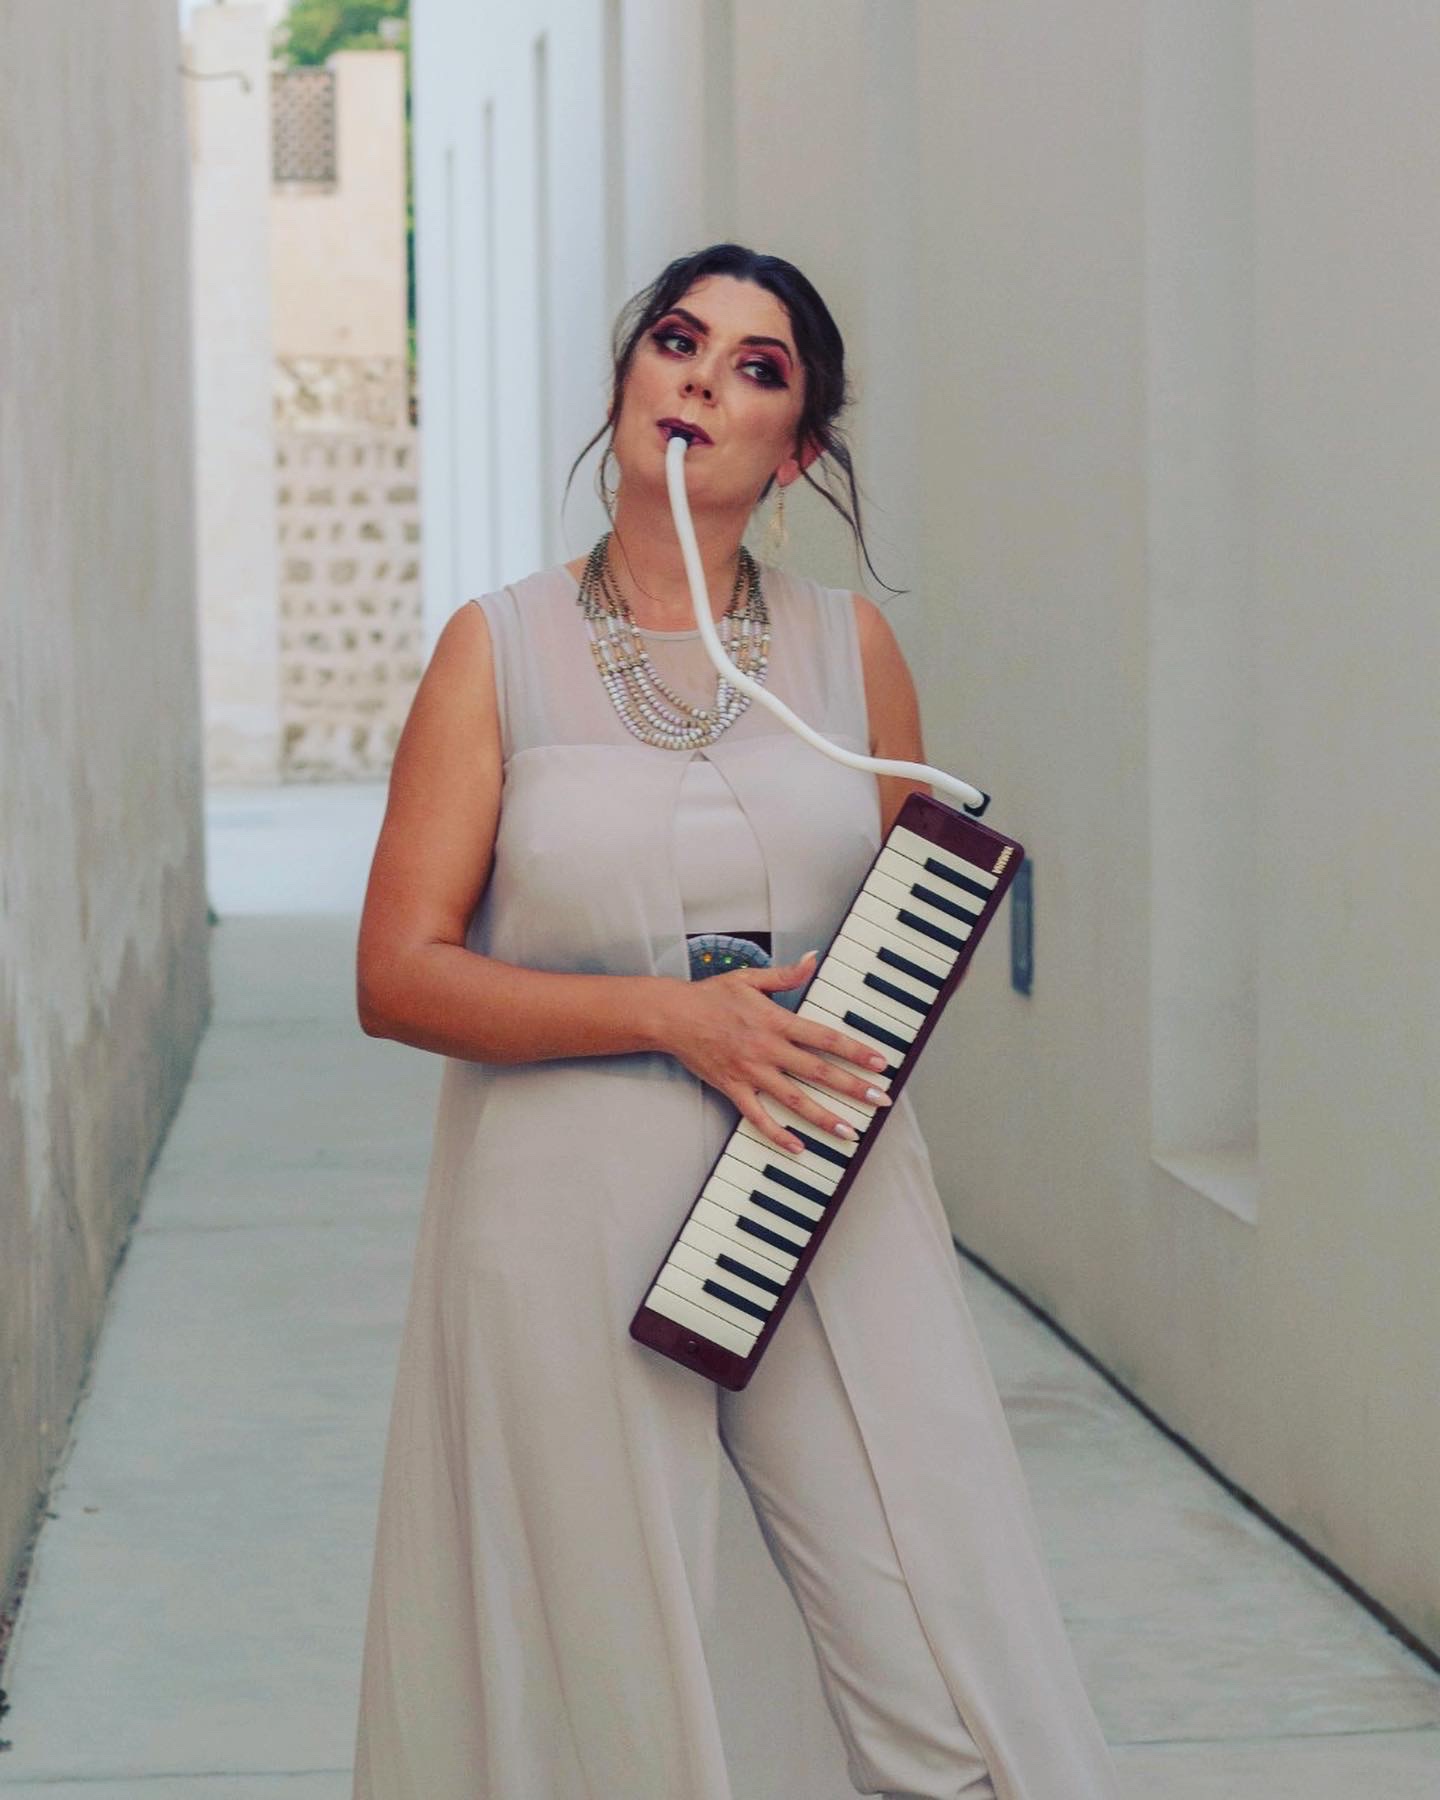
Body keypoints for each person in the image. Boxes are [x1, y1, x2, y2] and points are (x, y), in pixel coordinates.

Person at [350, 242, 1121, 1800]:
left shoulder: (850, 653)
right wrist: (668, 1015)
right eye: (678, 341)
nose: (703, 378)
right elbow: (399, 974)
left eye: (757, 368)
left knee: (930, 1647)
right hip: (562, 1192)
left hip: (815, 1182)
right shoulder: (496, 649)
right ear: (629, 376)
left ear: (799, 447)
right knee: (606, 1670)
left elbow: (900, 923)